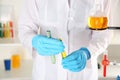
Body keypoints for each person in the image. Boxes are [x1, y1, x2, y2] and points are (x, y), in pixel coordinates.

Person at [18, 0, 113, 80]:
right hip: (46, 73)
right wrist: (34, 41)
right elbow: (25, 29)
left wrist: (87, 52)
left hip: (83, 73)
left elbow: (104, 34)